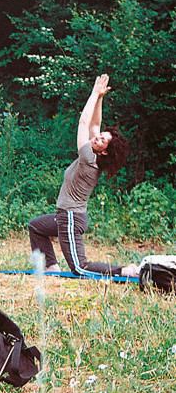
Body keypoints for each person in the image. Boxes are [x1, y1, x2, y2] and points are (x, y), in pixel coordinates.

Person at [28, 74, 138, 277]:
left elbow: (83, 123)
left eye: (102, 140)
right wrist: (100, 98)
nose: (97, 137)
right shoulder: (95, 153)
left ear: (104, 151)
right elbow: (95, 124)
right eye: (101, 135)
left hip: (70, 217)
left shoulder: (89, 157)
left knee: (80, 267)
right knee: (35, 226)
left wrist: (94, 93)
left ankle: (124, 270)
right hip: (65, 216)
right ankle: (51, 266)